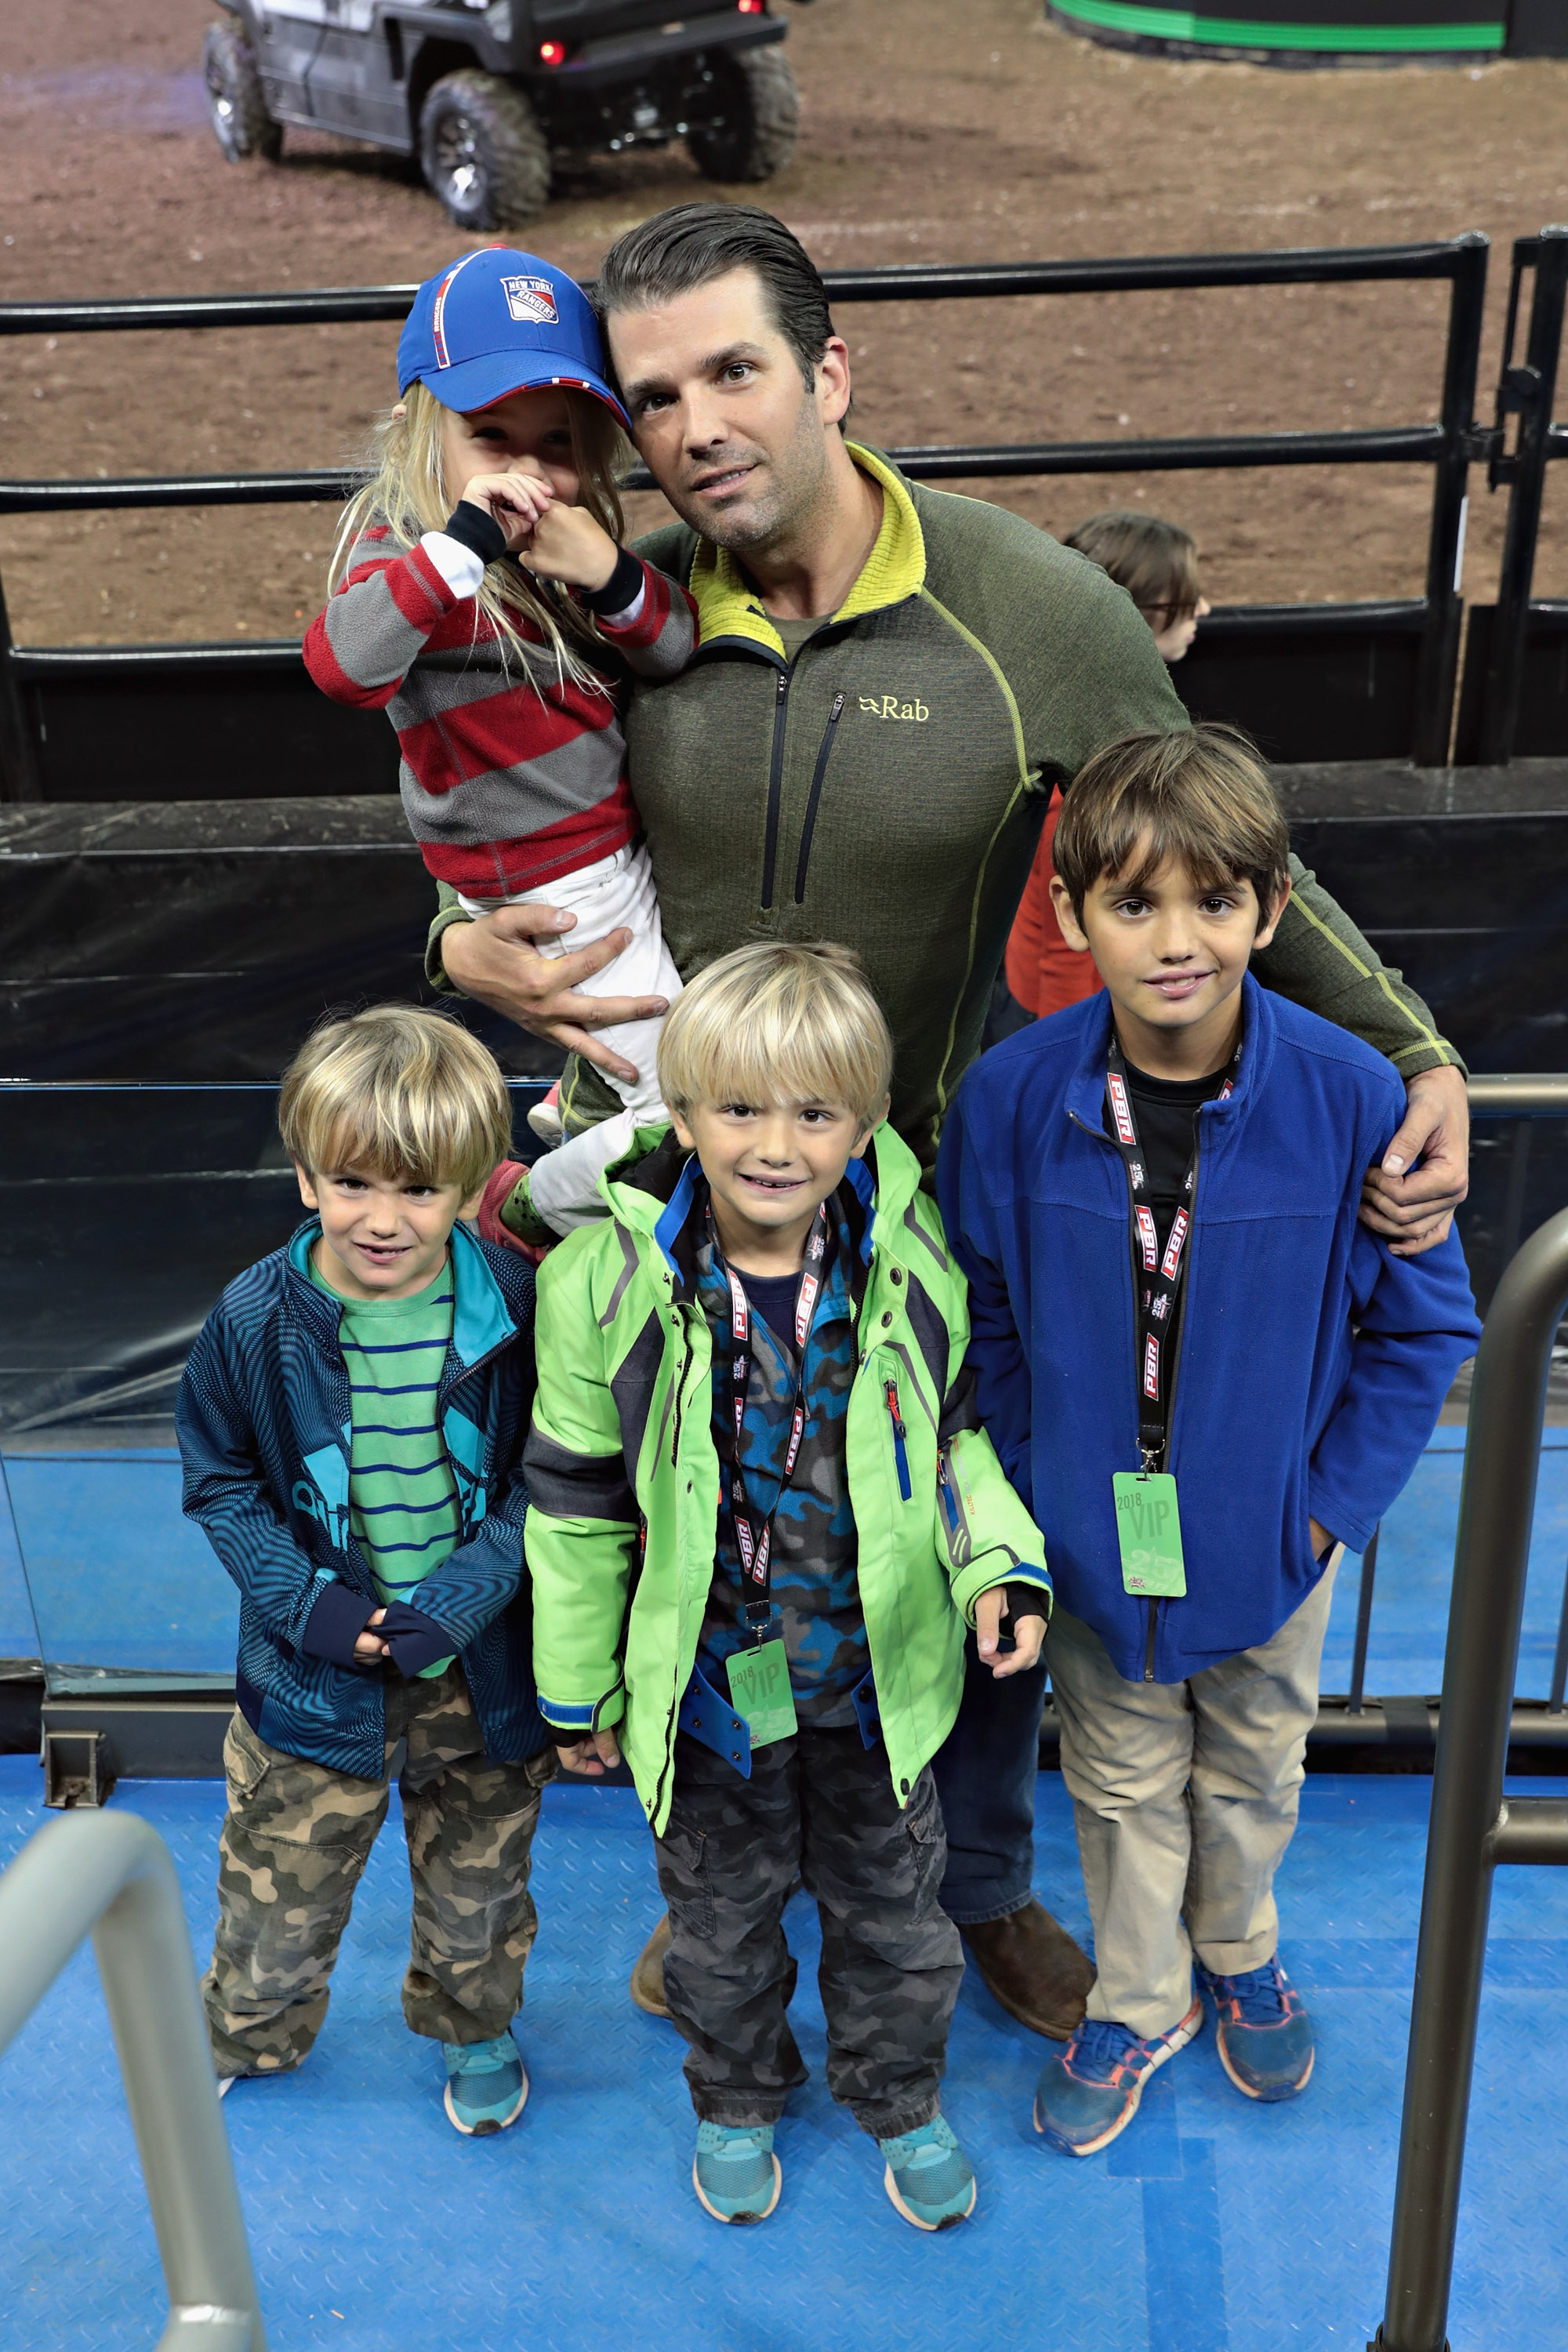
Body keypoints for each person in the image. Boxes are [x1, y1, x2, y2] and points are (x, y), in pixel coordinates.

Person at [423, 201, 1473, 2042]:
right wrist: (448, 939)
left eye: (734, 370)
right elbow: (470, 801)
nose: (693, 428)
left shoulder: (1028, 612)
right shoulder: (612, 606)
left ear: (828, 374)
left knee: (954, 1546)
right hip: (684, 1197)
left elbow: (1219, 849)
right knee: (704, 1539)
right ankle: (733, 1883)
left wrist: (1416, 1048)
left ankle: (972, 1887)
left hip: (943, 1209)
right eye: (652, 394)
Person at [935, 728, 1481, 2156]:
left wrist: (1322, 1514)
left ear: (1272, 910)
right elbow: (982, 1307)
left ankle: (1241, 1952)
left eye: (1214, 903)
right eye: (1132, 904)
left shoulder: (1357, 1095)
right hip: (1091, 1548)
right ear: (1070, 916)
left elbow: (1427, 1329)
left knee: (1255, 1765)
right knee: (1114, 1779)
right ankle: (1143, 1992)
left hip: (1275, 1548)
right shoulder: (1006, 1101)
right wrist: (1039, 1480)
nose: (1177, 943)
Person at [524, 942, 1051, 2228]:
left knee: (898, 1927)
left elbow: (952, 1446)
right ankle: (737, 2102)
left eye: (816, 1113)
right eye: (741, 1108)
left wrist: (1002, 1561)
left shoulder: (909, 1262)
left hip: (878, 1691)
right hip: (710, 1703)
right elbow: (577, 1509)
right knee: (716, 1933)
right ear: (686, 1112)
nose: (777, 1144)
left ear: (863, 1124)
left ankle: (900, 2098)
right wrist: (574, 1689)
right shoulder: (596, 1286)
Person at [177, 1004, 553, 2136]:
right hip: (312, 1681)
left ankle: (473, 2031)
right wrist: (317, 1613)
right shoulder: (251, 1320)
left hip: (478, 1679)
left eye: (419, 1190)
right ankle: (249, 2036)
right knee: (274, 1901)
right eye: (353, 1185)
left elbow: (557, 1482)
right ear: (304, 1179)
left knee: (480, 1894)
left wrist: (459, 1604)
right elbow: (222, 1486)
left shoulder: (518, 1311)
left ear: (474, 1183)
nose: (383, 1220)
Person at [303, 246, 695, 1237]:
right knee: (686, 1110)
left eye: (556, 441)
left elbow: (675, 646)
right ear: (418, 433)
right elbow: (344, 667)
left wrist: (605, 570)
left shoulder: (566, 547)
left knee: (659, 1060)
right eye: (489, 436)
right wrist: (460, 548)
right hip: (550, 882)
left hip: (605, 855)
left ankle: (574, 1110)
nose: (525, 472)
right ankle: (525, 1206)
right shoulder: (410, 558)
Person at [997, 510, 1210, 1040]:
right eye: (1183, 600)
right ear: (1127, 616)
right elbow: (1062, 953)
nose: (1204, 609)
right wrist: (1069, 1054)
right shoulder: (1076, 784)